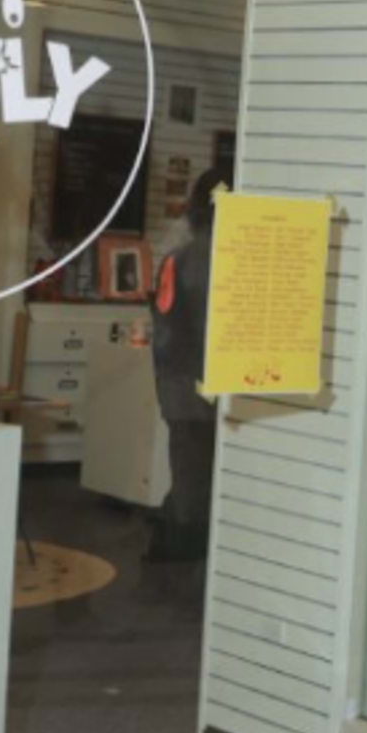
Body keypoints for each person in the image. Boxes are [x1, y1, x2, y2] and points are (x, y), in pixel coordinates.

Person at [141, 170, 225, 563]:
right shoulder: (224, 255)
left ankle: (172, 552)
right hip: (209, 386)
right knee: (199, 480)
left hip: (183, 386)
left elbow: (167, 326)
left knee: (190, 475)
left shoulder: (181, 258)